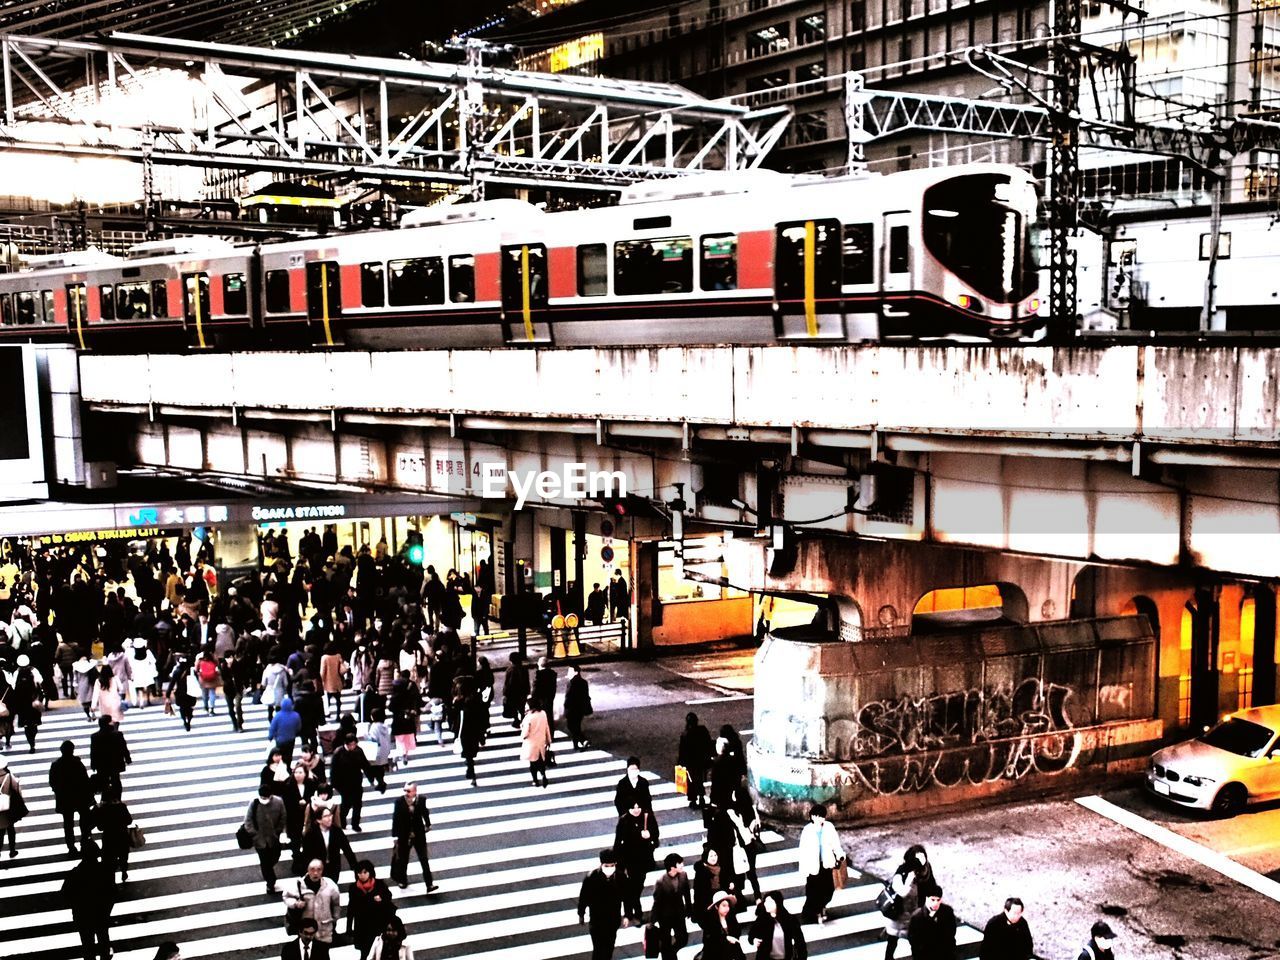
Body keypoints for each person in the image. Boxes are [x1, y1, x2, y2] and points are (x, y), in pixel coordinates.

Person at [63, 839, 116, 960]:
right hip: (101, 914)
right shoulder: (105, 872)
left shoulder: (75, 874)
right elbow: (112, 893)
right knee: (103, 941)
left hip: (83, 916)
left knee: (88, 946)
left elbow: (66, 895)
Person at [797, 803, 844, 925]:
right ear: (812, 817)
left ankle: (821, 907)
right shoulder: (807, 830)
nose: (819, 819)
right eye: (816, 816)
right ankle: (815, 912)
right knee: (813, 893)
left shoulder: (829, 827)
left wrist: (840, 855)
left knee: (828, 890)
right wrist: (803, 870)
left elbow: (835, 844)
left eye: (821, 816)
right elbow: (803, 851)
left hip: (826, 865)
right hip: (813, 868)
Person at [883, 843, 932, 960]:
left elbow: (930, 886)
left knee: (916, 943)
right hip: (899, 913)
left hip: (916, 913)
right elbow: (902, 892)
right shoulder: (902, 873)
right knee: (893, 940)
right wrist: (910, 880)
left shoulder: (925, 871)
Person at [614, 799, 659, 923]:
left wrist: (649, 836)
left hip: (643, 860)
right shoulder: (624, 820)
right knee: (630, 888)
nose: (636, 809)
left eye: (638, 806)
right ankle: (635, 913)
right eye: (633, 807)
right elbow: (618, 842)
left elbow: (656, 837)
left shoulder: (648, 818)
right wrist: (616, 860)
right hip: (627, 860)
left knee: (637, 887)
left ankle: (632, 912)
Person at [390, 781, 438, 893]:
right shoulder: (399, 802)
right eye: (405, 790)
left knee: (424, 859)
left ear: (415, 791)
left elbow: (425, 812)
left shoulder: (421, 800)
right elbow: (395, 819)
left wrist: (428, 824)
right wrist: (395, 836)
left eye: (409, 791)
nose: (406, 793)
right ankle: (402, 881)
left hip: (419, 835)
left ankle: (429, 884)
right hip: (404, 835)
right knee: (403, 859)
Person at [578, 848, 625, 960]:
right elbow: (584, 897)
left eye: (611, 865)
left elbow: (626, 897)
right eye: (606, 866)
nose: (609, 868)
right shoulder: (591, 877)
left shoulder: (620, 877)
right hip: (597, 919)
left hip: (613, 919)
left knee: (609, 948)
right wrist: (581, 913)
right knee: (598, 948)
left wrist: (627, 914)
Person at [283, 860, 342, 948]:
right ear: (308, 870)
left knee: (323, 954)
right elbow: (286, 897)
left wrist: (334, 919)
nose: (315, 873)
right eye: (312, 869)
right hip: (306, 930)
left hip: (323, 929)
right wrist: (296, 904)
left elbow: (336, 904)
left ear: (322, 871)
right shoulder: (299, 885)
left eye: (319, 870)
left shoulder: (330, 885)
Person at [245, 776, 288, 893]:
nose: (263, 799)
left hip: (274, 838)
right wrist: (255, 834)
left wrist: (278, 831)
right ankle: (270, 882)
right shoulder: (254, 803)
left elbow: (283, 817)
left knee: (275, 857)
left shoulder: (278, 802)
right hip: (260, 840)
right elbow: (248, 821)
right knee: (265, 862)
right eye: (262, 797)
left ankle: (270, 875)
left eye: (265, 797)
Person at [49, 739, 93, 854]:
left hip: (65, 798)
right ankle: (85, 841)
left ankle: (71, 846)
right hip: (80, 796)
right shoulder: (77, 763)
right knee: (84, 820)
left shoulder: (56, 765)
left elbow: (52, 782)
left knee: (68, 823)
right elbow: (85, 780)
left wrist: (59, 791)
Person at [347, 859, 395, 960]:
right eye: (359, 872)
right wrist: (349, 927)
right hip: (362, 925)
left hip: (377, 924)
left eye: (365, 872)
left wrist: (381, 898)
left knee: (379, 950)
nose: (362, 875)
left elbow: (388, 896)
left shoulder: (379, 884)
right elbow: (351, 908)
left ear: (370, 872)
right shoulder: (353, 888)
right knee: (365, 952)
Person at [300, 805, 358, 884]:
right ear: (319, 820)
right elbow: (306, 854)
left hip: (333, 867)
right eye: (326, 816)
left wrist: (355, 866)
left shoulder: (336, 831)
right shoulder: (311, 834)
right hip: (318, 868)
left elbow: (347, 848)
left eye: (330, 815)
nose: (330, 818)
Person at [330, 732, 376, 832]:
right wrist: (334, 784)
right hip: (343, 783)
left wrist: (371, 778)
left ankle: (356, 824)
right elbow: (333, 771)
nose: (353, 747)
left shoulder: (358, 751)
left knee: (357, 804)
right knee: (346, 803)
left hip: (356, 781)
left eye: (354, 744)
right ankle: (342, 820)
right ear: (346, 744)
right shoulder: (338, 753)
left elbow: (365, 765)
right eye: (351, 745)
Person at [650, 852, 692, 960]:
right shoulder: (661, 882)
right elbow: (657, 902)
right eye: (680, 863)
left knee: (683, 938)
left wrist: (689, 908)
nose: (682, 865)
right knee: (665, 942)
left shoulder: (683, 875)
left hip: (679, 913)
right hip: (665, 916)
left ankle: (671, 953)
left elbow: (687, 893)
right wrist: (653, 919)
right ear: (672, 867)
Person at [748, 892, 807, 960]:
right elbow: (751, 936)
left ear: (777, 903)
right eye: (765, 902)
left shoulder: (789, 920)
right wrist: (754, 940)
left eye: (770, 902)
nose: (766, 904)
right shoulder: (762, 919)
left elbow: (800, 942)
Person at [94, 783, 134, 883]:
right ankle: (124, 872)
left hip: (109, 838)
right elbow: (129, 820)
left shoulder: (103, 810)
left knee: (109, 860)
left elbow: (100, 827)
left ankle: (111, 882)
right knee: (123, 857)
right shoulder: (121, 806)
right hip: (122, 837)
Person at [908, 885, 957, 960]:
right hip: (925, 955)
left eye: (938, 900)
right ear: (926, 898)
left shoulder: (947, 912)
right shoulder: (917, 917)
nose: (936, 903)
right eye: (933, 900)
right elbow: (913, 939)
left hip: (944, 954)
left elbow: (951, 932)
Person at [89, 716, 131, 798]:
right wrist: (127, 758)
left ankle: (105, 798)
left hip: (102, 764)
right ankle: (117, 798)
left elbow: (93, 752)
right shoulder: (117, 734)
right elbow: (123, 747)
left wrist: (93, 764)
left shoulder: (95, 736)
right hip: (115, 762)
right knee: (116, 780)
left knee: (104, 781)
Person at [679, 712, 713, 810]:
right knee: (701, 779)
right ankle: (701, 797)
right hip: (701, 760)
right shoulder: (702, 730)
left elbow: (682, 751)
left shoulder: (685, 734)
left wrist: (681, 763)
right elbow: (708, 744)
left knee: (691, 781)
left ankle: (693, 800)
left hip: (690, 762)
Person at [700, 890, 745, 960]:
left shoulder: (731, 919)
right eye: (724, 906)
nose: (727, 909)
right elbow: (708, 942)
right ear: (716, 907)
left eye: (728, 906)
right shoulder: (710, 922)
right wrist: (725, 939)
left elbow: (737, 934)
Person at [694, 844, 738, 914]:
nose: (714, 858)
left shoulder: (722, 867)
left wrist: (731, 884)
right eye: (711, 856)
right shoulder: (701, 871)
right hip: (708, 899)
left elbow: (728, 880)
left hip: (722, 895)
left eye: (715, 855)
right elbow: (699, 892)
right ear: (706, 857)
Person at [521, 696, 552, 788]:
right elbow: (547, 727)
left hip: (531, 744)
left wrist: (522, 728)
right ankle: (543, 775)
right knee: (540, 761)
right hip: (541, 742)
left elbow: (525, 734)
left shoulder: (528, 717)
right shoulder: (543, 714)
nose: (526, 707)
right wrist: (548, 740)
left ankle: (535, 780)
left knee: (532, 763)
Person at [0, 754, 26, 858]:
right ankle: (12, 850)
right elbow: (17, 790)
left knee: (0, 832)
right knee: (11, 830)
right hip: (8, 808)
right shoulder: (8, 776)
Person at [563, 664, 593, 749]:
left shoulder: (571, 683)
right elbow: (586, 696)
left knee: (571, 727)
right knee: (576, 726)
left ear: (576, 672)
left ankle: (582, 740)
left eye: (570, 671)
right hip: (580, 709)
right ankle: (577, 744)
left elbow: (568, 697)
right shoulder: (584, 682)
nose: (568, 673)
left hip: (572, 709)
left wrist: (565, 709)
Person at [269, 696, 304, 764]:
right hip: (291, 739)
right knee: (289, 754)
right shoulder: (295, 715)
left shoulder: (278, 716)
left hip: (280, 740)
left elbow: (273, 727)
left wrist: (270, 736)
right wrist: (295, 733)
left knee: (280, 754)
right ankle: (288, 766)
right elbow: (298, 727)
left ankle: (282, 766)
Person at [502, 652, 530, 729]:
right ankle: (523, 720)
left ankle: (516, 720)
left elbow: (507, 683)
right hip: (522, 692)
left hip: (513, 693)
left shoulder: (510, 670)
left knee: (514, 707)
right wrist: (527, 691)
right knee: (522, 707)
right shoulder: (524, 669)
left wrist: (505, 693)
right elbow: (527, 681)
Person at [128, 637, 158, 709]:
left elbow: (130, 663)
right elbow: (154, 661)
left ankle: (141, 702)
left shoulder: (133, 653)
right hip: (146, 671)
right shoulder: (148, 652)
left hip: (137, 672)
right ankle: (148, 700)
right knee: (147, 686)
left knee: (140, 687)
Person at [320, 642, 346, 720]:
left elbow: (322, 671)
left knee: (327, 700)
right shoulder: (338, 656)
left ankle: (327, 713)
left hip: (328, 682)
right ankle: (338, 715)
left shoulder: (324, 657)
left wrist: (321, 681)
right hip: (337, 681)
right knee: (338, 700)